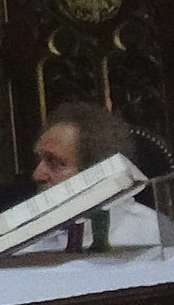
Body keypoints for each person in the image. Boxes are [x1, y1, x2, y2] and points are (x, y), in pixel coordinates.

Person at [30, 100, 166, 248]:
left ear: (96, 171)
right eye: (39, 160)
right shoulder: (26, 243)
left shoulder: (157, 237)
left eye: (53, 162)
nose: (37, 175)